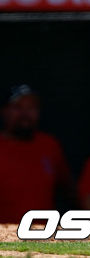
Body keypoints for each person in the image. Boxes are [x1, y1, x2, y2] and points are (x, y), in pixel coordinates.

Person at [0, 84, 73, 223]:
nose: (25, 114)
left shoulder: (49, 145)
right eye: (18, 107)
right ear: (4, 111)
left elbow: (68, 191)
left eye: (31, 108)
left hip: (43, 237)